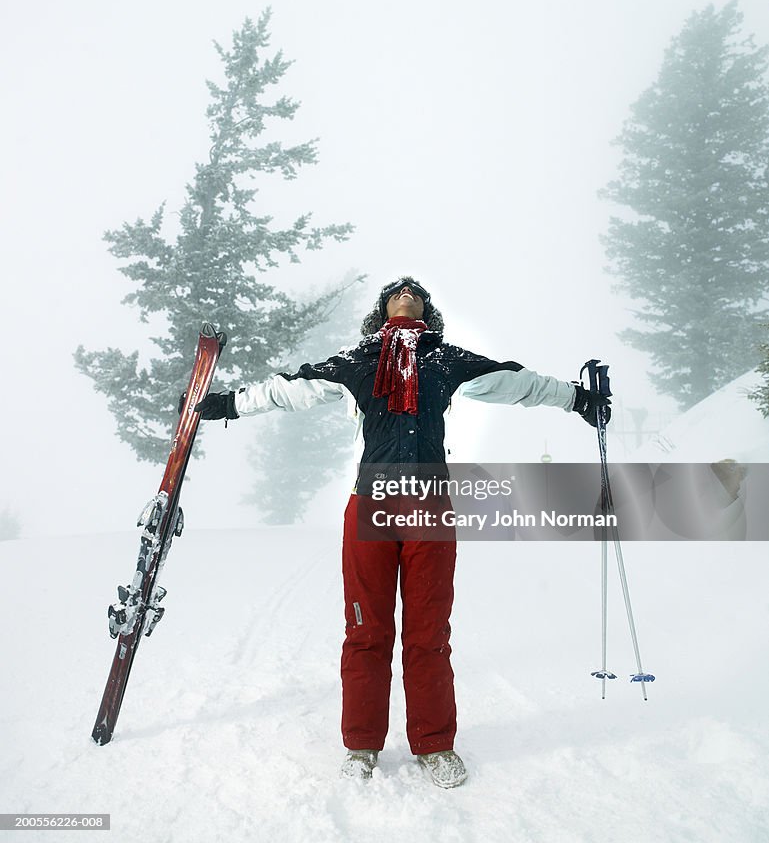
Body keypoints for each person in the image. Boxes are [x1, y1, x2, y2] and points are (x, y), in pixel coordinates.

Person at [191, 276, 610, 788]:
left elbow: (515, 382)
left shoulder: (445, 359)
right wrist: (228, 404)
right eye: (397, 292)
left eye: (414, 292)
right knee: (365, 630)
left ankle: (435, 745)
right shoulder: (359, 361)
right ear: (382, 310)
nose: (406, 292)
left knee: (429, 632)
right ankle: (362, 745)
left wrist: (578, 399)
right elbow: (289, 389)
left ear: (427, 310)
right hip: (370, 505)